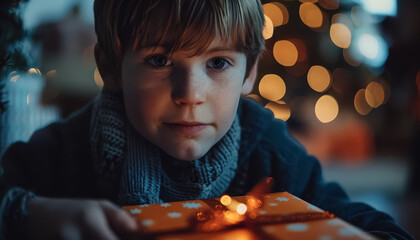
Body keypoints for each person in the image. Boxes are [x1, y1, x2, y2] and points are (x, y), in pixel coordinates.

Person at [0, 0, 414, 239]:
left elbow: (355, 220)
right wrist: (29, 213)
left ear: (249, 72)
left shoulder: (267, 149)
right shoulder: (64, 150)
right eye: (159, 61)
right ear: (110, 68)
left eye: (217, 62)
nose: (189, 95)